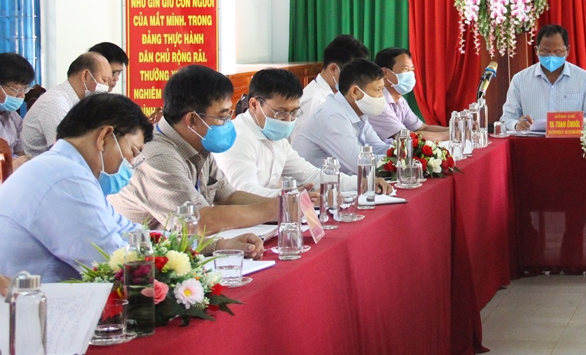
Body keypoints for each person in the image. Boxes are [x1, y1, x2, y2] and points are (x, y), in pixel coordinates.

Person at [0, 94, 262, 283]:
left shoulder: (71, 172)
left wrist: (216, 246)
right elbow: (117, 263)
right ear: (105, 137)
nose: (133, 164)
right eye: (133, 151)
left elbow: (134, 235)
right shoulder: (65, 179)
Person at [109, 65, 279, 233]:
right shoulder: (157, 156)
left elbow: (228, 198)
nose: (228, 122)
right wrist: (277, 209)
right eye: (222, 117)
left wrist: (284, 204)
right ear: (192, 120)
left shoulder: (197, 143)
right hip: (139, 256)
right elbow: (200, 221)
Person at [214, 69, 351, 197]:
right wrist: (291, 196)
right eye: (280, 112)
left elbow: (310, 175)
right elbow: (244, 192)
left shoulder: (276, 137)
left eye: (293, 112)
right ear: (254, 105)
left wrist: (359, 183)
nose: (288, 120)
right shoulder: (238, 137)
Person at [292, 59, 394, 175]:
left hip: (343, 183)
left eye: (382, 90)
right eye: (377, 90)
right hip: (317, 188)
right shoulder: (333, 116)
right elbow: (361, 165)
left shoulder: (358, 113)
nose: (381, 96)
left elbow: (377, 147)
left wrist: (404, 153)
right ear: (355, 92)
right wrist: (398, 161)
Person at [500, 24, 586, 133]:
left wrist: (582, 122)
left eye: (558, 52)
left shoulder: (584, 80)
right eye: (545, 52)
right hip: (532, 145)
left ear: (568, 50)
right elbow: (506, 119)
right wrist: (516, 125)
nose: (552, 57)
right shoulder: (520, 80)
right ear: (536, 50)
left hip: (572, 144)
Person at [22, 52, 112, 158]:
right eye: (104, 80)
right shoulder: (56, 103)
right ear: (86, 75)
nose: (106, 88)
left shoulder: (76, 103)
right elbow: (65, 152)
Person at [368, 47, 448, 143]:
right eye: (405, 69)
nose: (410, 74)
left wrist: (455, 130)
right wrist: (450, 135)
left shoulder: (400, 100)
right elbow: (405, 136)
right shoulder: (377, 101)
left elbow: (423, 128)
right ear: (385, 72)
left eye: (412, 69)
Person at [295, 34, 370, 133]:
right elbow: (300, 145)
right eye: (352, 74)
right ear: (333, 69)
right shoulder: (315, 102)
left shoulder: (337, 95)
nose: (356, 80)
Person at [0, 52, 35, 160]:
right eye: (16, 89)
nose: (21, 95)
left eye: (24, 89)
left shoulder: (13, 117)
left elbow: (21, 154)